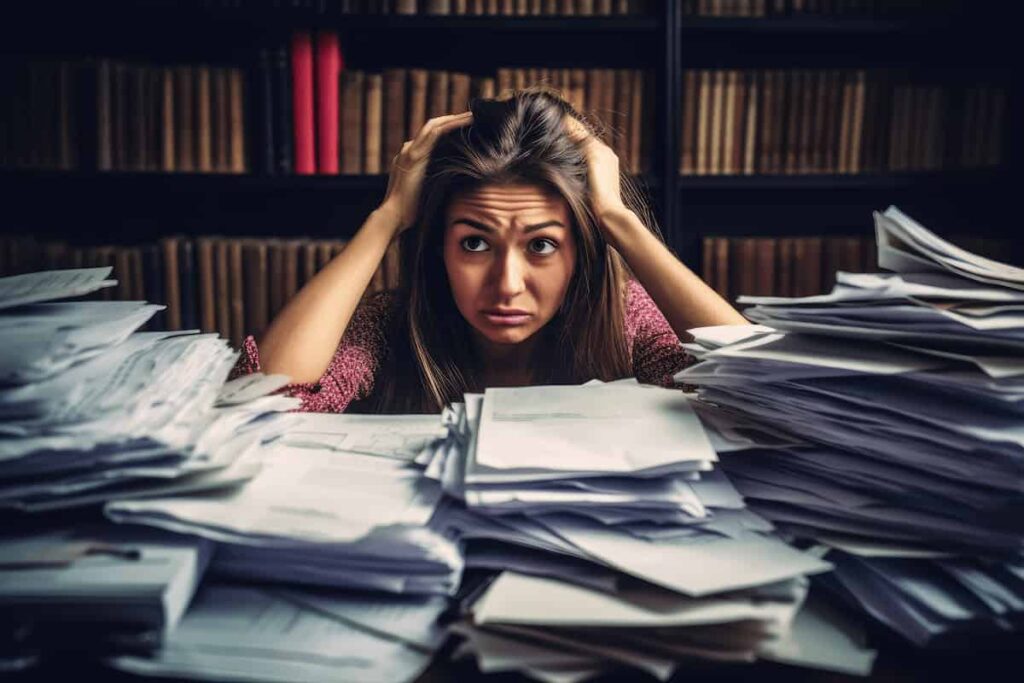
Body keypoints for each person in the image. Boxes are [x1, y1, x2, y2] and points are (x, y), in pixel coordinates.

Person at [230, 88, 748, 413]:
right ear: (438, 248)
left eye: (542, 244)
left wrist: (616, 218)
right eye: (474, 243)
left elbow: (760, 389)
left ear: (582, 251)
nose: (506, 284)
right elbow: (269, 398)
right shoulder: (391, 324)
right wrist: (386, 218)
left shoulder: (623, 319)